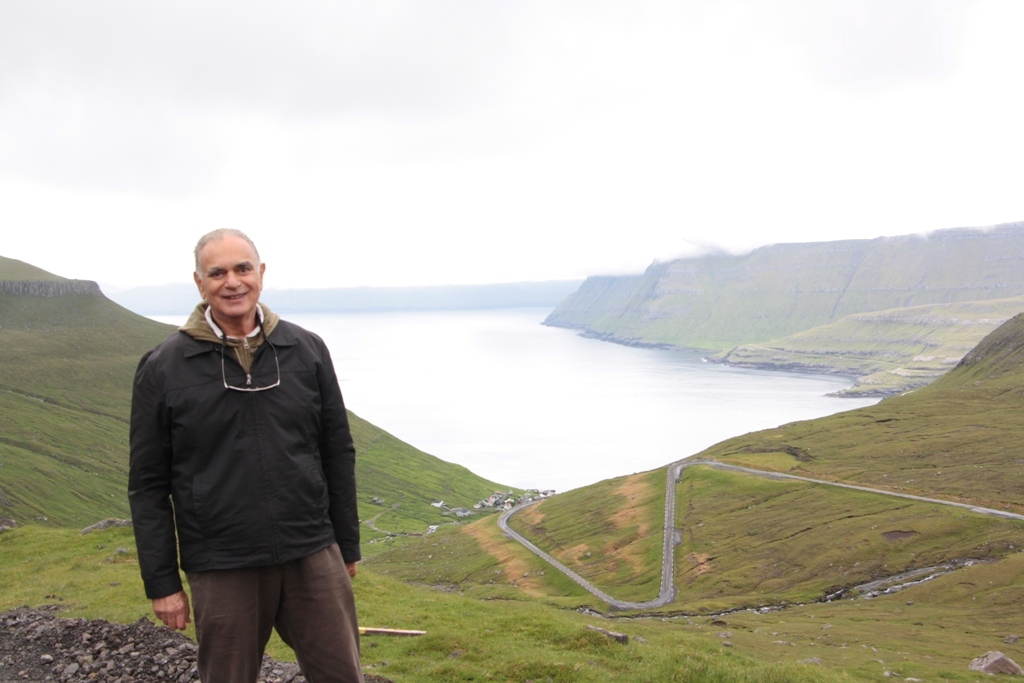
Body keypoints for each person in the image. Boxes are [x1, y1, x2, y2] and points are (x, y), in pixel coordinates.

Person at [128, 229, 364, 682]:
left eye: (242, 268)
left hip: (310, 549)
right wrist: (163, 584)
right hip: (222, 561)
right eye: (217, 273)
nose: (232, 282)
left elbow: (337, 450)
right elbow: (148, 484)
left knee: (341, 675)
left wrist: (345, 544)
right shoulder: (164, 367)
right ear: (200, 283)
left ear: (261, 274)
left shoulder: (306, 350)